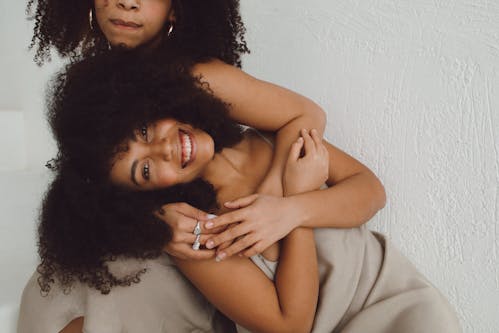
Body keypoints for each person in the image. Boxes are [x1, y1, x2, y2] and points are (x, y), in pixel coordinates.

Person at [18, 52, 460, 332]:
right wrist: (290, 216)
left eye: (145, 128)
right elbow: (290, 325)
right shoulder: (197, 228)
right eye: (146, 168)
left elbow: (371, 192)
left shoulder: (269, 139)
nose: (167, 147)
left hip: (393, 299)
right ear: (146, 195)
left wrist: (290, 208)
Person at [27, 0, 331, 260]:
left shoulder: (196, 78)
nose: (127, 3)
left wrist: (269, 203)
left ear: (175, 10)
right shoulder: (98, 91)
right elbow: (95, 180)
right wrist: (152, 221)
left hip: (219, 242)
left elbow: (307, 114)